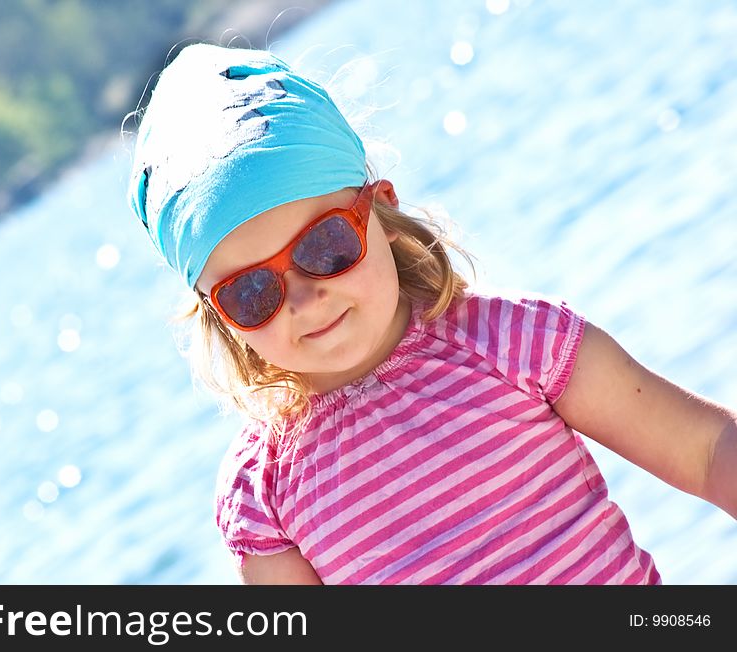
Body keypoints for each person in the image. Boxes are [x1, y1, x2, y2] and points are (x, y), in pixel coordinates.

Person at [126, 43, 736, 584]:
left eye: (325, 246)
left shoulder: (512, 343)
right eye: (252, 292)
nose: (306, 298)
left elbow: (708, 455)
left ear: (383, 214)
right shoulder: (265, 494)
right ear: (218, 316)